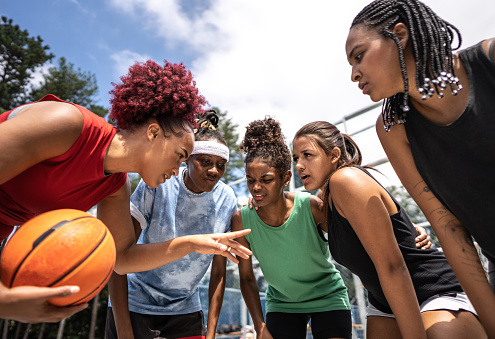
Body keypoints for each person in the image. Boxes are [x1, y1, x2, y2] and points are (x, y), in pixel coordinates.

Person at [0, 60, 250, 323]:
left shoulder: (115, 187)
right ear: (153, 133)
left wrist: (191, 244)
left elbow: (121, 259)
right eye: (180, 156)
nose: (178, 170)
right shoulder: (68, 123)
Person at [345, 0, 495, 336]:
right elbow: (448, 228)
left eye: (359, 55)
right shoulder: (393, 129)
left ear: (400, 34)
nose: (353, 74)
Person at [292, 121, 486, 339]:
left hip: (433, 289)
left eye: (307, 155)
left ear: (334, 155)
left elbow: (393, 266)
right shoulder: (325, 201)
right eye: (296, 158)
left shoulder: (346, 180)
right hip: (384, 303)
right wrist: (256, 202)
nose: (299, 165)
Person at [105, 111, 237, 339]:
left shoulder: (227, 199)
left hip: (185, 310)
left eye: (221, 165)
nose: (215, 171)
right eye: (205, 162)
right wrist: (125, 332)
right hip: (136, 305)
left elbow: (218, 272)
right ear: (187, 159)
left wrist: (212, 333)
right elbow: (117, 256)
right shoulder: (158, 182)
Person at [233, 117, 353, 339]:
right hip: (282, 304)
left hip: (328, 298)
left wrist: (405, 229)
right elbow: (247, 279)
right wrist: (259, 327)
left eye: (266, 179)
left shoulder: (311, 207)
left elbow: (355, 231)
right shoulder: (242, 220)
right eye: (250, 180)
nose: (256, 187)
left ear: (286, 178)